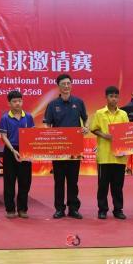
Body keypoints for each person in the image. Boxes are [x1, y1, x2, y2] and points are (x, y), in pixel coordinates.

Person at [44, 74, 88, 220]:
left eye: (69, 83)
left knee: (73, 180)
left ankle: (73, 208)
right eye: (63, 84)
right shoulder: (52, 105)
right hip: (58, 148)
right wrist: (51, 135)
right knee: (59, 180)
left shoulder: (78, 102)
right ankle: (59, 209)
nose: (66, 86)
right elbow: (47, 124)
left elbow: (86, 119)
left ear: (71, 85)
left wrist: (85, 128)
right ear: (58, 86)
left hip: (74, 147)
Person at [89, 86, 129, 220]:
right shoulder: (99, 113)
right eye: (111, 96)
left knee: (118, 186)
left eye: (116, 97)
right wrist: (104, 135)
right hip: (104, 156)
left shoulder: (123, 114)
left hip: (120, 156)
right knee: (103, 185)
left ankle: (118, 209)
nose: (114, 99)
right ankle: (102, 209)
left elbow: (127, 131)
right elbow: (93, 129)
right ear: (106, 98)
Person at [0, 90, 35, 219]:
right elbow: (3, 136)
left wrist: (32, 151)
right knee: (9, 181)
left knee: (25, 181)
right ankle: (10, 209)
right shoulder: (5, 118)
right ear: (9, 103)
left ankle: (22, 209)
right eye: (14, 101)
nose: (17, 103)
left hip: (25, 151)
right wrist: (13, 150)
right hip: (10, 150)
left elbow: (32, 134)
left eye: (19, 101)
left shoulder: (28, 117)